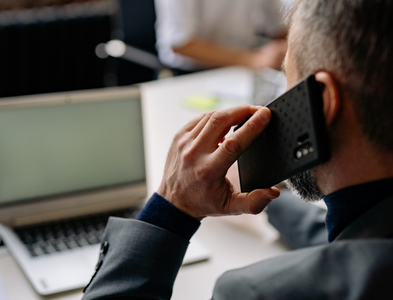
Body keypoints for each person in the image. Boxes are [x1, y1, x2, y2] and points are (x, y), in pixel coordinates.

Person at [83, 0, 393, 298]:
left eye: (287, 78)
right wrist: (272, 197)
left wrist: (171, 208)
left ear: (322, 102)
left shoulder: (254, 293)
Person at [154, 0, 289, 72]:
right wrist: (253, 59)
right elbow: (180, 43)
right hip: (190, 75)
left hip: (243, 70)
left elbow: (279, 26)